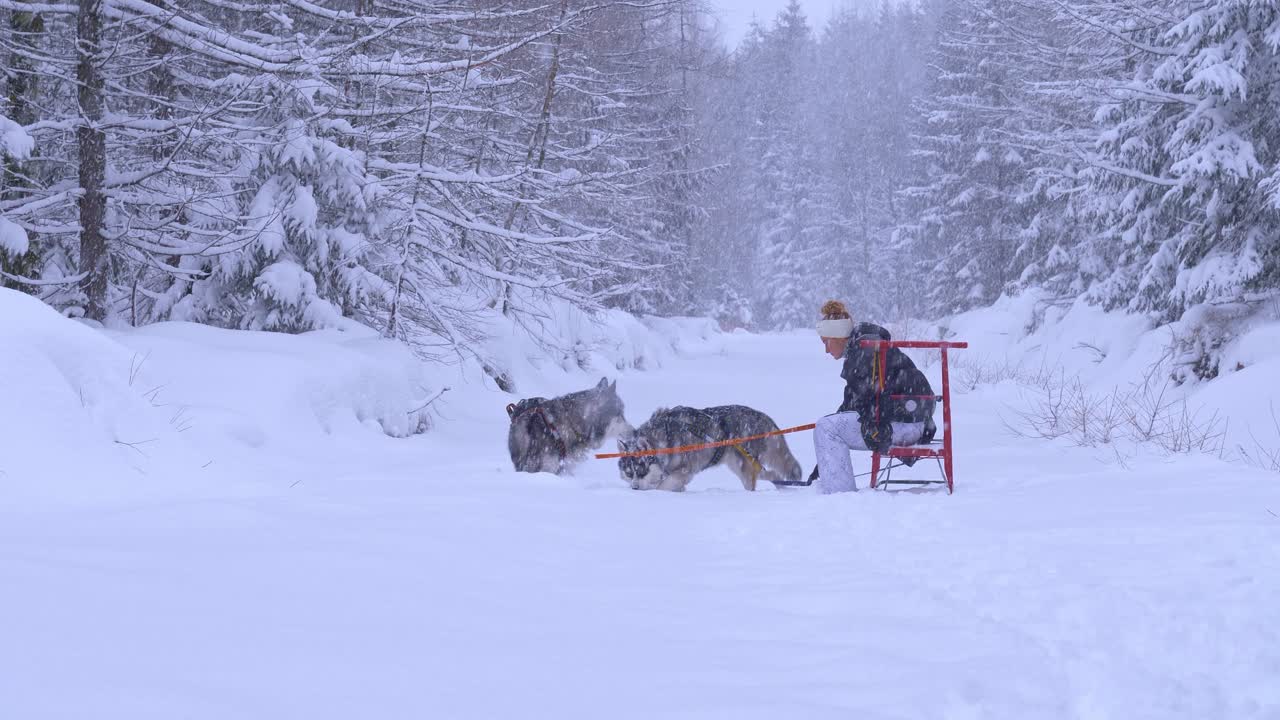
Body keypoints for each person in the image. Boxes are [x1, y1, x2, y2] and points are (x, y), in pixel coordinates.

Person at [811, 300, 936, 493]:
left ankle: (838, 496)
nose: (826, 350)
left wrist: (828, 437)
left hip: (903, 425)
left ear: (838, 337)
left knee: (826, 429)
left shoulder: (864, 352)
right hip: (910, 422)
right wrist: (823, 463)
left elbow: (866, 403)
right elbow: (852, 405)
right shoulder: (863, 349)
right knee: (826, 427)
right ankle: (835, 488)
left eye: (826, 342)